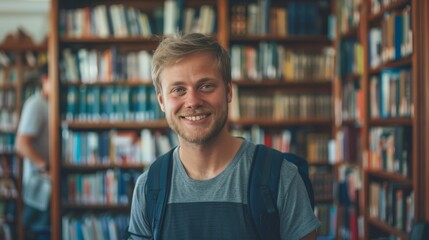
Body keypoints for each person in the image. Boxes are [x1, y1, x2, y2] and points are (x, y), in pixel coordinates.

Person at [128, 33, 319, 239]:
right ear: (162, 102)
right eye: (178, 89)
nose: (192, 101)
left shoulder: (282, 177)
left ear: (228, 91)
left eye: (206, 86)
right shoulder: (148, 187)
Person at [15, 64, 51, 239]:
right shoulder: (36, 105)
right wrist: (46, 168)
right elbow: (22, 144)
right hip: (40, 184)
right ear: (45, 79)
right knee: (37, 232)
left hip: (48, 184)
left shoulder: (50, 104)